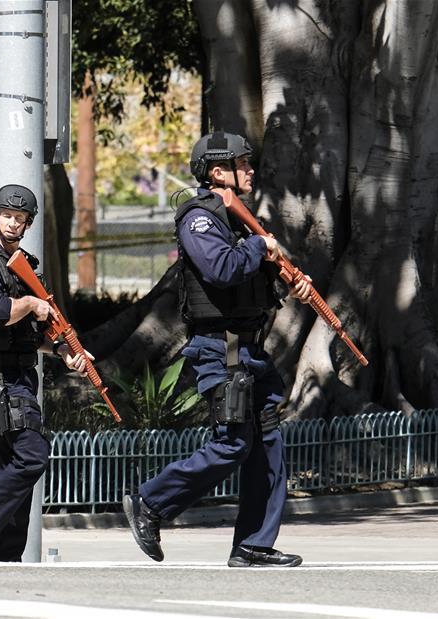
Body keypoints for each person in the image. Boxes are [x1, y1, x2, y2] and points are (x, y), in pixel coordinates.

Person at [122, 131, 312, 567]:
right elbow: (222, 268)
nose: (250, 169)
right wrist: (257, 245)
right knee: (231, 445)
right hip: (221, 352)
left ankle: (253, 545)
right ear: (216, 171)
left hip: (250, 352)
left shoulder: (238, 219)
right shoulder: (200, 218)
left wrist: (286, 277)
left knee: (268, 445)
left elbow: (251, 281)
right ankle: (150, 503)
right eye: (242, 163)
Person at [0, 184, 92, 562]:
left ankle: (6, 556)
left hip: (20, 371)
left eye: (21, 218)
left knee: (17, 463)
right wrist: (31, 302)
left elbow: (30, 337)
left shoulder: (24, 265)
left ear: (28, 224)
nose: (13, 223)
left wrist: (63, 351)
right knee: (32, 455)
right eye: (7, 216)